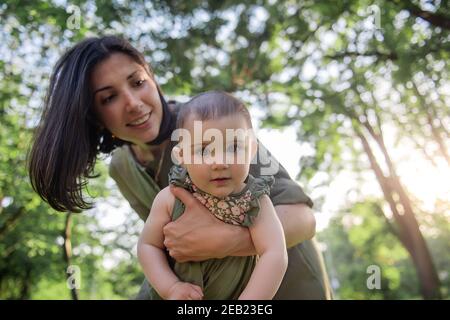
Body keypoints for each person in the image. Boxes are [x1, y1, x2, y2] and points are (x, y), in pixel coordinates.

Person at [28, 35, 333, 299]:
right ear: (93, 116)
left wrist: (225, 241)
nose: (133, 102)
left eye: (137, 82)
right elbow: (169, 244)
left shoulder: (212, 127)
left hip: (288, 286)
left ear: (152, 78)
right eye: (109, 97)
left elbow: (303, 218)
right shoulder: (122, 168)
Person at [138, 91, 288, 300]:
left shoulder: (255, 202)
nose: (219, 162)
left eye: (233, 147)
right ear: (181, 156)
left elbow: (275, 254)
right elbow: (148, 246)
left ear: (252, 150)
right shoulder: (170, 198)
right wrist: (171, 288)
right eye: (203, 151)